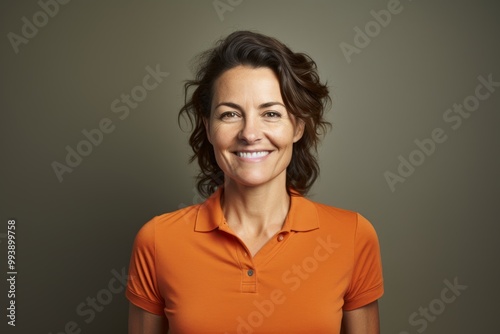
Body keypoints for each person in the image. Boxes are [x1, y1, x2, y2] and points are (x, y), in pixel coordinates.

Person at [126, 30, 384, 334]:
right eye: (230, 114)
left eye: (271, 113)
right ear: (208, 128)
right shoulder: (157, 241)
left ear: (298, 126)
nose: (249, 133)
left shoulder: (352, 237)